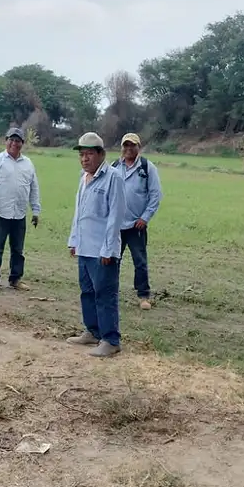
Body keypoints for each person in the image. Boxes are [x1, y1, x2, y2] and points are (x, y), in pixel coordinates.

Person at [66, 132, 126, 357]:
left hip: (103, 250)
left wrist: (109, 249)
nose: (84, 159)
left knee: (105, 294)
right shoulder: (84, 178)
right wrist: (74, 240)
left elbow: (115, 216)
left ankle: (110, 340)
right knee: (87, 292)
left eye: (89, 154)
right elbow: (79, 212)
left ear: (101, 154)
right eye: (81, 155)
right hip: (85, 247)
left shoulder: (113, 177)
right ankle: (92, 331)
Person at [0, 127, 41, 292]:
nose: (14, 143)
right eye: (11, 140)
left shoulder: (28, 163)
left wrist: (35, 210)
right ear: (6, 140)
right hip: (0, 213)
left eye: (18, 141)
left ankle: (15, 279)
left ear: (22, 143)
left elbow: (34, 188)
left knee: (18, 249)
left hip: (19, 213)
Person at [112, 133, 163, 310]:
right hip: (116, 224)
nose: (128, 149)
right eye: (125, 145)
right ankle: (111, 292)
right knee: (112, 259)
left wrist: (145, 217)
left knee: (139, 260)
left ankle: (143, 296)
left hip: (136, 224)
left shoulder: (147, 167)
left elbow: (156, 195)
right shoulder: (114, 166)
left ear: (138, 147)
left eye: (132, 145)